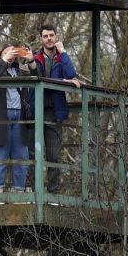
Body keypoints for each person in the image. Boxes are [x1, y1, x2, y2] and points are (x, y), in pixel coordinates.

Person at [0, 39, 37, 195]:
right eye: (7, 51)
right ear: (0, 53)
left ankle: (19, 193)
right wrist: (5, 61)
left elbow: (38, 78)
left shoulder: (20, 71)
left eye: (14, 52)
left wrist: (31, 60)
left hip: (20, 117)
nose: (12, 55)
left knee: (21, 157)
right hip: (0, 117)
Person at [31, 23, 84, 165]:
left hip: (55, 111)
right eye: (45, 36)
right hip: (36, 109)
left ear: (56, 37)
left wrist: (64, 52)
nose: (49, 39)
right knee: (32, 154)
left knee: (54, 156)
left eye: (51, 35)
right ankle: (32, 187)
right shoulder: (35, 58)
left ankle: (53, 188)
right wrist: (62, 80)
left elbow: (71, 75)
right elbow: (39, 78)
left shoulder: (62, 58)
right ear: (41, 39)